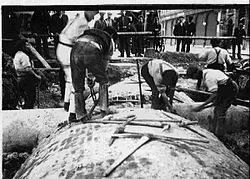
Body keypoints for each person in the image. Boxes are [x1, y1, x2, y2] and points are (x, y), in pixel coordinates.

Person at [56, 11, 98, 122]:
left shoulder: (76, 17)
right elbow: (83, 44)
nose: (93, 18)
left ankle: (66, 103)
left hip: (61, 48)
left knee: (69, 79)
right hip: (68, 50)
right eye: (93, 14)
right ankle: (73, 114)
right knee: (77, 83)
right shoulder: (83, 23)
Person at [70, 27, 116, 121]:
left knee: (77, 86)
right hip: (92, 50)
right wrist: (96, 78)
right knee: (104, 81)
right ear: (113, 36)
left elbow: (84, 59)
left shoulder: (90, 34)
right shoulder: (110, 41)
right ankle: (104, 109)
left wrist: (89, 77)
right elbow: (103, 65)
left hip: (75, 50)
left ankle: (81, 115)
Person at [186, 65, 239, 137]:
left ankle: (220, 135)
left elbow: (215, 95)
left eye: (193, 77)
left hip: (230, 89)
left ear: (196, 74)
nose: (194, 79)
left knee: (220, 111)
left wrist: (201, 106)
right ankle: (214, 132)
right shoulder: (204, 73)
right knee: (216, 110)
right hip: (223, 88)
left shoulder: (209, 78)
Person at [13, 39, 41, 109]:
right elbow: (28, 69)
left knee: (25, 98)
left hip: (19, 78)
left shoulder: (17, 54)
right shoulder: (23, 56)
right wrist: (37, 76)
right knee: (30, 99)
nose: (28, 47)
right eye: (26, 45)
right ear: (22, 46)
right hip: (26, 79)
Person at [50, 11, 69, 101]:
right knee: (62, 79)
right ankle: (63, 96)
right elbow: (51, 26)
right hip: (57, 37)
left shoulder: (65, 17)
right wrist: (54, 33)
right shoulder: (53, 17)